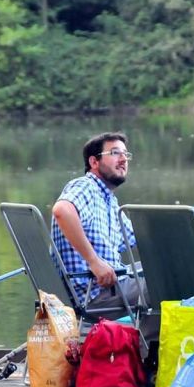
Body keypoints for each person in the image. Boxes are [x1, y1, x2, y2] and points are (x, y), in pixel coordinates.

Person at [51, 132, 151, 335]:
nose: (123, 159)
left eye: (125, 154)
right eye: (115, 153)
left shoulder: (108, 200)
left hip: (109, 286)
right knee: (171, 283)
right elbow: (62, 210)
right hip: (93, 293)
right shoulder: (85, 187)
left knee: (165, 270)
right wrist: (94, 261)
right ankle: (147, 353)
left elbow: (141, 239)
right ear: (94, 162)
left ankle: (143, 349)